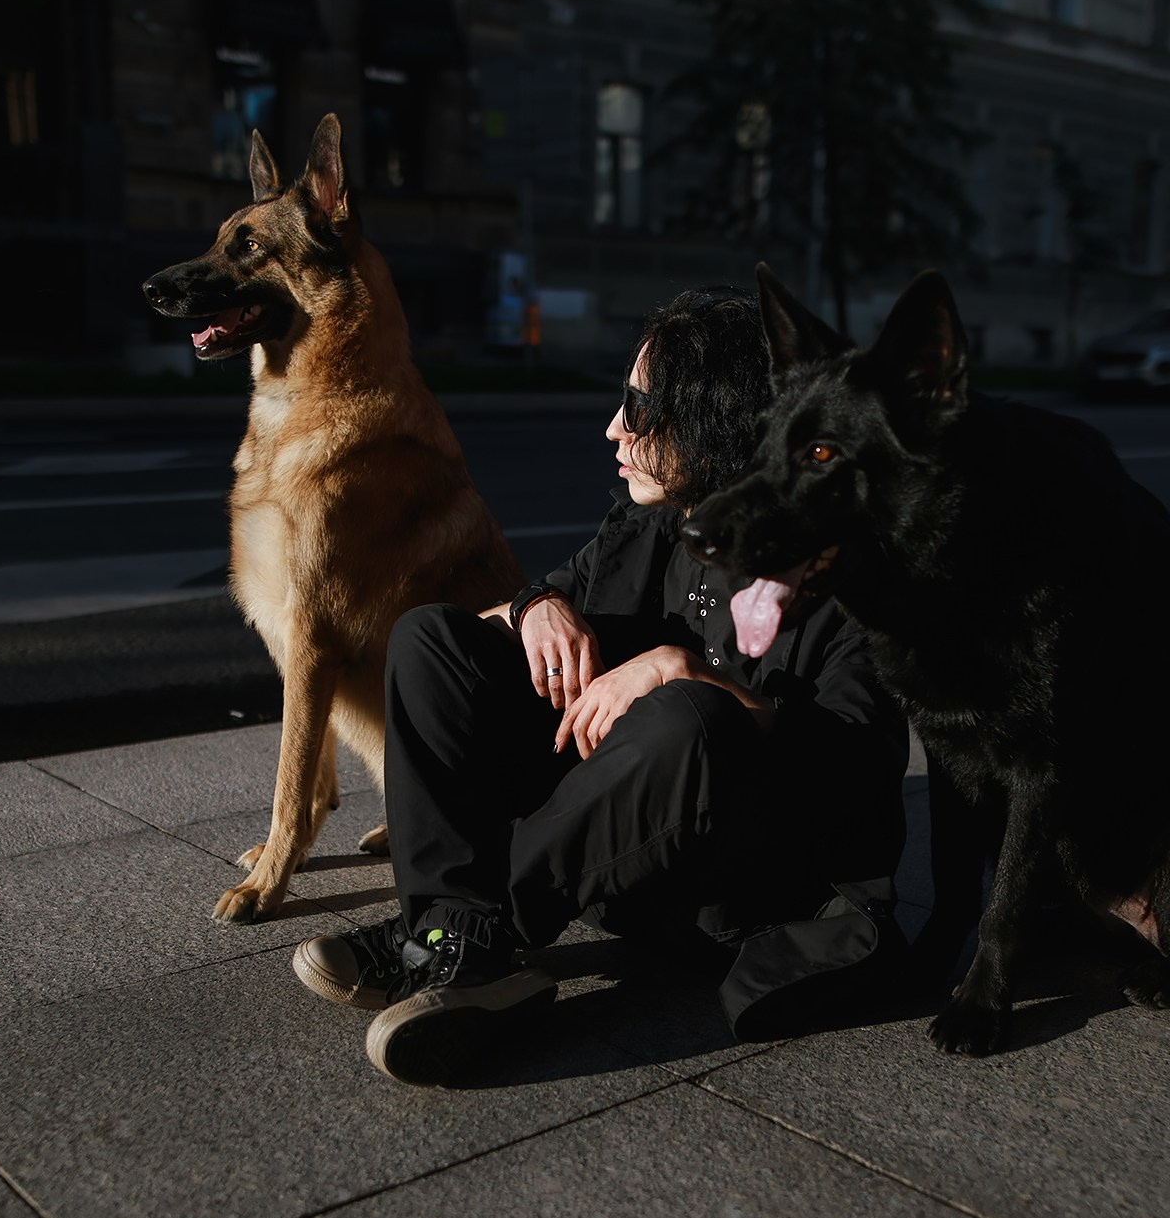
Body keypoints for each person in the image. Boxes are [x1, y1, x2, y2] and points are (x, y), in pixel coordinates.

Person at [290, 286, 911, 1085]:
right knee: (431, 637)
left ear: (715, 417)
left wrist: (683, 670)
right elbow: (496, 621)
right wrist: (534, 604)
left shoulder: (840, 563)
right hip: (608, 860)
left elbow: (858, 764)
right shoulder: (650, 525)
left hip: (733, 883)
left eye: (641, 408)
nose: (615, 427)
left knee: (687, 713)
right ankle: (455, 935)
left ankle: (459, 934)